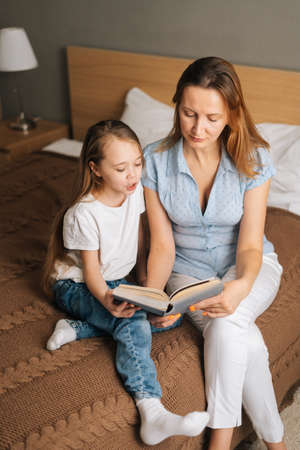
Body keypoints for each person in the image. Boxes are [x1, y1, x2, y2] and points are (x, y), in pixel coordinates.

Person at [142, 57, 286, 450]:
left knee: (228, 320)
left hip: (250, 267)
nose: (198, 128)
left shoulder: (254, 159)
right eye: (189, 113)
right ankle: (278, 444)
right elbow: (163, 245)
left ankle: (218, 443)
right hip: (188, 275)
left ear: (231, 115)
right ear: (177, 107)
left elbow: (251, 245)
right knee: (239, 336)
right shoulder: (154, 160)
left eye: (211, 117)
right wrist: (154, 299)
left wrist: (240, 285)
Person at [42, 119, 209, 446]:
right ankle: (151, 409)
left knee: (169, 319)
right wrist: (107, 300)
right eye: (121, 168)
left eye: (137, 164)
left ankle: (78, 328)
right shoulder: (83, 213)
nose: (133, 175)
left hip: (117, 280)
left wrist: (153, 295)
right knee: (132, 321)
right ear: (96, 169)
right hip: (76, 284)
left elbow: (143, 247)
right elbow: (91, 272)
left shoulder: (134, 194)